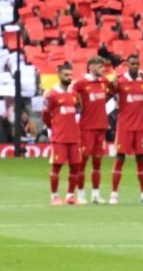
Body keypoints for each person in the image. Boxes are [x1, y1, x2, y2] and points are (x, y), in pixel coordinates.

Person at [108, 55, 143, 205]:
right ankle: (114, 194)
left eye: (137, 64)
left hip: (140, 127)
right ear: (128, 64)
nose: (135, 66)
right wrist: (112, 85)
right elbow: (108, 93)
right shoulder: (120, 81)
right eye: (132, 64)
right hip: (125, 127)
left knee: (141, 159)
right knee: (120, 159)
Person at [72, 56, 113, 204]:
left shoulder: (104, 82)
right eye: (100, 67)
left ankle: (96, 194)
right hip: (86, 127)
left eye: (103, 67)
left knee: (97, 163)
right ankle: (81, 194)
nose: (103, 69)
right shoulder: (81, 83)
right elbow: (70, 94)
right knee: (82, 162)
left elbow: (112, 90)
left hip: (101, 127)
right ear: (91, 67)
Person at [42, 64, 84, 206]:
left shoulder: (74, 95)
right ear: (59, 75)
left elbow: (79, 110)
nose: (69, 77)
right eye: (66, 75)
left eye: (70, 75)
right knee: (57, 166)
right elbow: (46, 115)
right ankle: (54, 196)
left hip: (74, 137)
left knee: (75, 167)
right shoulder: (52, 95)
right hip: (59, 137)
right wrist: (53, 128)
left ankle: (70, 196)